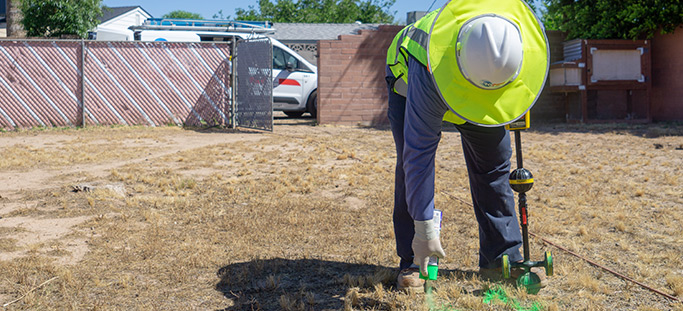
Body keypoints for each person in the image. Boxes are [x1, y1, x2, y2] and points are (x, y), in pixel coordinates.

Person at [384, 0, 550, 291]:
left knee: (494, 167)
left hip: (485, 90)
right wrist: (424, 231)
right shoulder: (428, 64)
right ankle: (414, 259)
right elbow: (418, 158)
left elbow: (496, 166)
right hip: (414, 80)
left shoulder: (519, 41)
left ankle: (502, 257)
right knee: (409, 167)